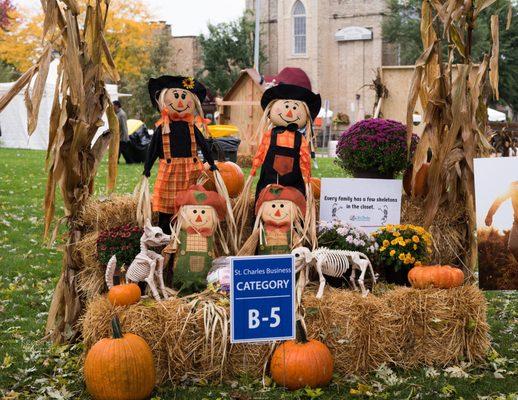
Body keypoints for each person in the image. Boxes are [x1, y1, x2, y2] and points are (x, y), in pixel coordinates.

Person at [143, 75, 217, 234]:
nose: (180, 102)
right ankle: (165, 236)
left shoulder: (192, 127)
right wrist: (147, 168)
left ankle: (187, 235)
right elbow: (153, 149)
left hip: (191, 172)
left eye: (184, 97)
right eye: (175, 96)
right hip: (169, 172)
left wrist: (211, 162)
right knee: (167, 211)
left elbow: (203, 145)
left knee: (190, 206)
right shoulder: (162, 128)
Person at [485, 181, 518, 262]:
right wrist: (490, 215)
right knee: (512, 246)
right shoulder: (513, 186)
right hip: (517, 222)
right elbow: (499, 200)